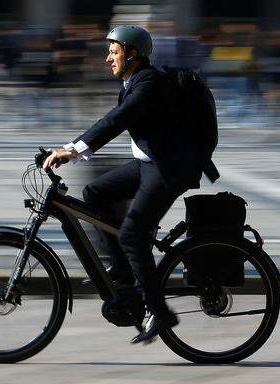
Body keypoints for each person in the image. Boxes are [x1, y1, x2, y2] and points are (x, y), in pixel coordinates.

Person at [43, 25, 218, 344]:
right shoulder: (135, 80)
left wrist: (72, 150)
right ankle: (123, 277)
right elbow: (117, 118)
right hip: (149, 163)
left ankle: (158, 309)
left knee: (132, 234)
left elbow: (116, 120)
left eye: (114, 51)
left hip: (168, 169)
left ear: (133, 54)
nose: (107, 58)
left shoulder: (148, 84)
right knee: (94, 193)